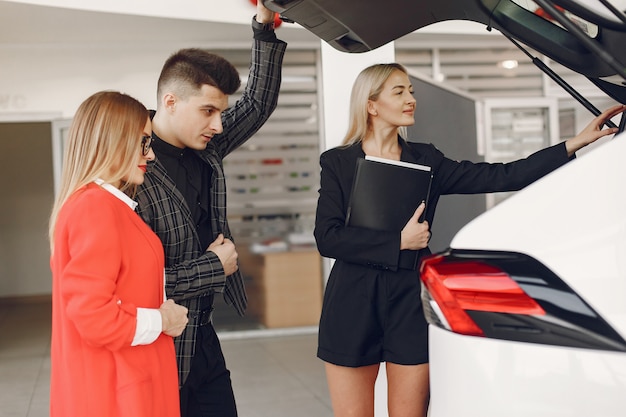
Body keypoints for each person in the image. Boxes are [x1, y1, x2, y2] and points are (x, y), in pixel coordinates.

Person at [313, 62, 625, 417]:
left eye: (411, 90)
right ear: (371, 105)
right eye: (399, 92)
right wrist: (397, 241)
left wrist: (574, 143)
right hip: (352, 301)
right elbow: (328, 237)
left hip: (409, 302)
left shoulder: (427, 159)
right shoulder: (338, 162)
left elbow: (503, 175)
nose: (411, 99)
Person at [134, 2, 287, 416]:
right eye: (208, 111)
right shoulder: (130, 168)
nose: (219, 124)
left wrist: (264, 27)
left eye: (220, 112)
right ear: (170, 101)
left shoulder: (209, 146)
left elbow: (256, 103)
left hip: (204, 336)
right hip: (157, 345)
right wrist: (213, 267)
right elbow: (134, 288)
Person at [48, 91, 189, 417]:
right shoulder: (95, 207)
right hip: (118, 394)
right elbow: (94, 317)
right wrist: (162, 320)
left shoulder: (103, 205)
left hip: (123, 385)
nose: (150, 155)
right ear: (113, 139)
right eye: (143, 142)